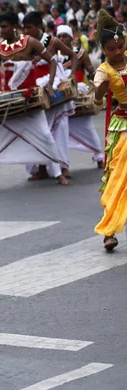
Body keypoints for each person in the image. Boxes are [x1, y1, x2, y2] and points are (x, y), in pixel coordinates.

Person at [0, 11, 69, 188]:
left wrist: (50, 83)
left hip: (29, 100)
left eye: (4, 26)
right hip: (8, 101)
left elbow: (52, 61)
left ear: (14, 26)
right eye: (0, 26)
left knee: (45, 135)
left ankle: (58, 173)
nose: (1, 30)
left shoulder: (30, 42)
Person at [23, 11, 78, 180]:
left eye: (29, 28)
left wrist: (70, 76)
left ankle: (63, 166)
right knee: (39, 129)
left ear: (39, 26)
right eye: (24, 28)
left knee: (60, 129)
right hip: (36, 87)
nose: (26, 31)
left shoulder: (52, 41)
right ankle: (41, 167)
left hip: (55, 87)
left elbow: (73, 56)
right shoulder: (25, 43)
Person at [92, 10, 127, 250]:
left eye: (121, 46)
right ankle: (109, 230)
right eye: (112, 49)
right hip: (123, 123)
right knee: (117, 178)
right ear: (104, 49)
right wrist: (100, 90)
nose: (117, 52)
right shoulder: (103, 71)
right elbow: (96, 100)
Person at [56, 25, 104, 169]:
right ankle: (58, 164)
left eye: (65, 36)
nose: (62, 39)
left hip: (78, 93)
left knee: (86, 127)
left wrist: (97, 87)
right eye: (59, 36)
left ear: (72, 38)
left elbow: (91, 73)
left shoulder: (80, 53)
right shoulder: (54, 56)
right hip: (60, 96)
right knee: (59, 129)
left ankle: (99, 157)